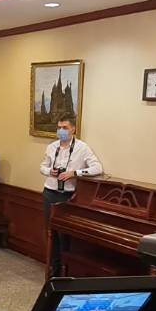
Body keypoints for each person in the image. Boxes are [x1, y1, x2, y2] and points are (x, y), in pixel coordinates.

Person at [40, 117, 102, 274]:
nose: (61, 131)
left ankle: (65, 269)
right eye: (59, 127)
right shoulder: (52, 147)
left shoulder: (82, 148)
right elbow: (43, 166)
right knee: (51, 232)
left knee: (65, 235)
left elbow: (97, 168)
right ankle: (53, 268)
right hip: (50, 192)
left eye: (65, 127)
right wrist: (50, 171)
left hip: (67, 196)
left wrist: (74, 173)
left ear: (73, 129)